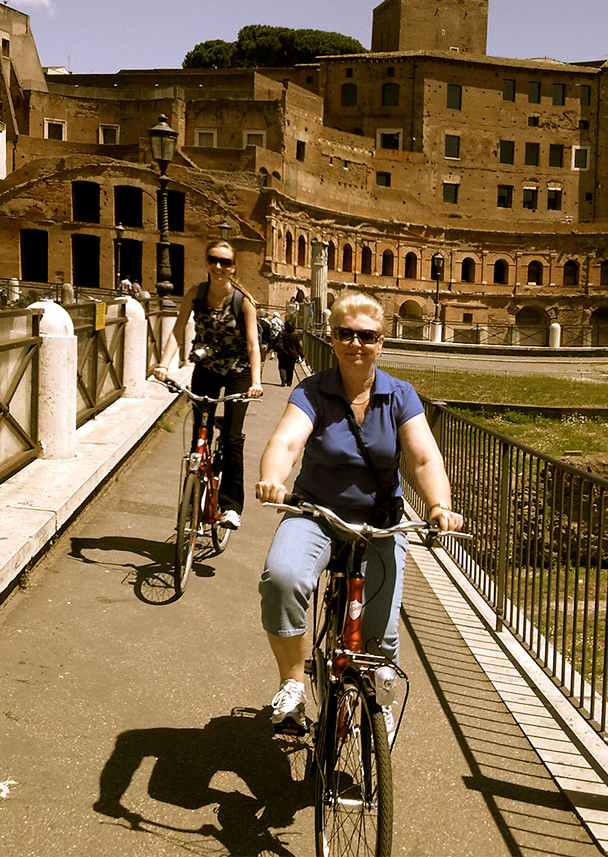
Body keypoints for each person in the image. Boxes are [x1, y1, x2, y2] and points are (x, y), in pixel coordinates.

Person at [256, 291, 462, 731]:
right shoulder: (313, 391)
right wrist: (274, 478)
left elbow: (424, 458)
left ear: (381, 342)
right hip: (315, 513)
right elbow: (287, 441)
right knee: (283, 578)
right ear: (331, 338)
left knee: (380, 634)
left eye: (366, 336)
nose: (355, 343)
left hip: (380, 524)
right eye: (345, 334)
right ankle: (292, 684)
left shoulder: (400, 395)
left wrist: (439, 505)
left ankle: (377, 704)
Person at [154, 239, 263, 530]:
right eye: (213, 259)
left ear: (233, 267)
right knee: (197, 439)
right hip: (206, 369)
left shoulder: (243, 302)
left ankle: (231, 506)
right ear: (206, 262)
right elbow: (178, 331)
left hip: (238, 372)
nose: (218, 266)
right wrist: (164, 365)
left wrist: (256, 381)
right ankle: (193, 505)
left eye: (225, 262)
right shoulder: (195, 294)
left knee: (231, 438)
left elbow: (253, 345)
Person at [275, 320, 304, 386]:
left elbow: (276, 342)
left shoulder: (282, 333)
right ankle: (289, 381)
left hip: (282, 353)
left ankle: (283, 379)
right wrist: (302, 355)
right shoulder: (295, 334)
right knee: (290, 368)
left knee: (282, 367)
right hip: (292, 354)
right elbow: (298, 346)